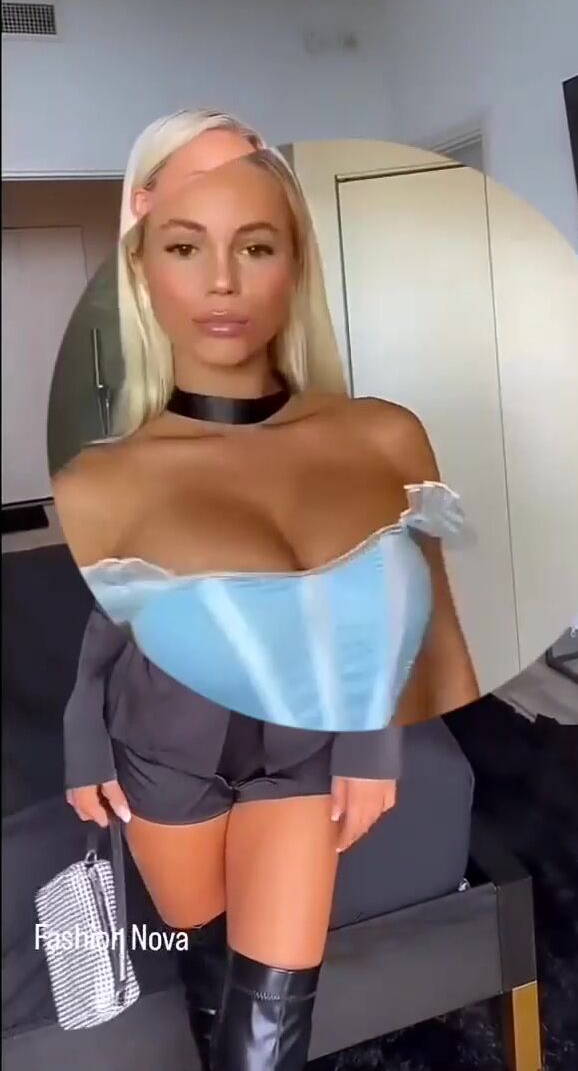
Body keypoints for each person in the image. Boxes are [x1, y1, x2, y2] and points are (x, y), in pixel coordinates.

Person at [54, 109, 479, 1070]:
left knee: (273, 1022)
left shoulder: (384, 434)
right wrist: (83, 731)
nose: (222, 279)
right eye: (186, 240)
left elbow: (423, 615)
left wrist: (375, 735)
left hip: (305, 747)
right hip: (162, 748)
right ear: (143, 254)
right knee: (203, 946)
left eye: (254, 241)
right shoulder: (103, 473)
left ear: (291, 255)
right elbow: (112, 618)